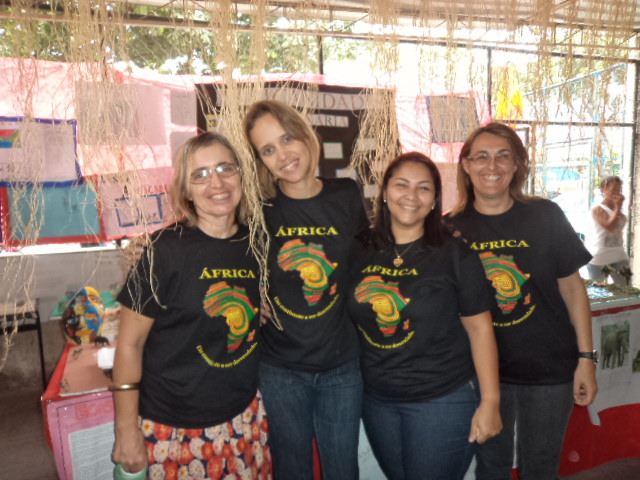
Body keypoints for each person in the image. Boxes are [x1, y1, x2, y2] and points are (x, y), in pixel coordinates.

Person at [111, 132, 272, 479]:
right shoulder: (162, 251)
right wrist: (125, 429)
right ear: (186, 190)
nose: (217, 183)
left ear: (241, 175)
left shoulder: (257, 244)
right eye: (200, 174)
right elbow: (129, 344)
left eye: (225, 168)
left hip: (243, 416)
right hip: (175, 427)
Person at [446, 122, 598, 480]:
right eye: (481, 156)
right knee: (491, 468)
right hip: (482, 374)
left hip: (548, 368)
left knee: (541, 468)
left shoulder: (545, 215)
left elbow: (573, 290)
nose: (492, 165)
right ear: (466, 165)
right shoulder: (448, 228)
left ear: (517, 165)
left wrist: (586, 359)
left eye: (503, 156)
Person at [347, 151, 502, 480]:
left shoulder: (454, 253)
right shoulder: (360, 248)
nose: (411, 195)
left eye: (423, 188)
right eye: (401, 185)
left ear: (434, 200)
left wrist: (491, 401)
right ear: (385, 192)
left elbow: (480, 330)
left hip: (441, 400)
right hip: (377, 400)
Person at [243, 99, 368, 479]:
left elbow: (367, 260)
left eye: (286, 139)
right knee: (292, 469)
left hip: (341, 365)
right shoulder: (258, 208)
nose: (282, 155)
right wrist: (250, 295)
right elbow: (222, 252)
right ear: (260, 161)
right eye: (268, 150)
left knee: (342, 470)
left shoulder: (345, 194)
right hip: (280, 367)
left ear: (304, 135)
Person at [586, 175, 631, 284]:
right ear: (603, 190)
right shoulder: (598, 209)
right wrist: (618, 207)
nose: (616, 192)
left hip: (619, 255)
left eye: (619, 189)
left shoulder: (617, 208)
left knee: (626, 289)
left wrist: (618, 207)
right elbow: (609, 227)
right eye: (613, 189)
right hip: (599, 257)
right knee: (597, 291)